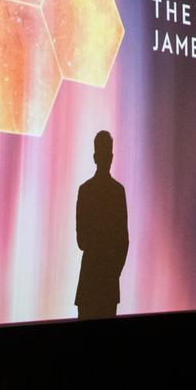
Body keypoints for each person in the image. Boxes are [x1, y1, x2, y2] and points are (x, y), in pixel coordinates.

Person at [75, 130, 129, 319]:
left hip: (89, 280)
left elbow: (81, 241)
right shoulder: (118, 192)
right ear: (110, 157)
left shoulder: (85, 191)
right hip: (108, 283)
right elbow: (124, 241)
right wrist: (113, 273)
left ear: (95, 157)